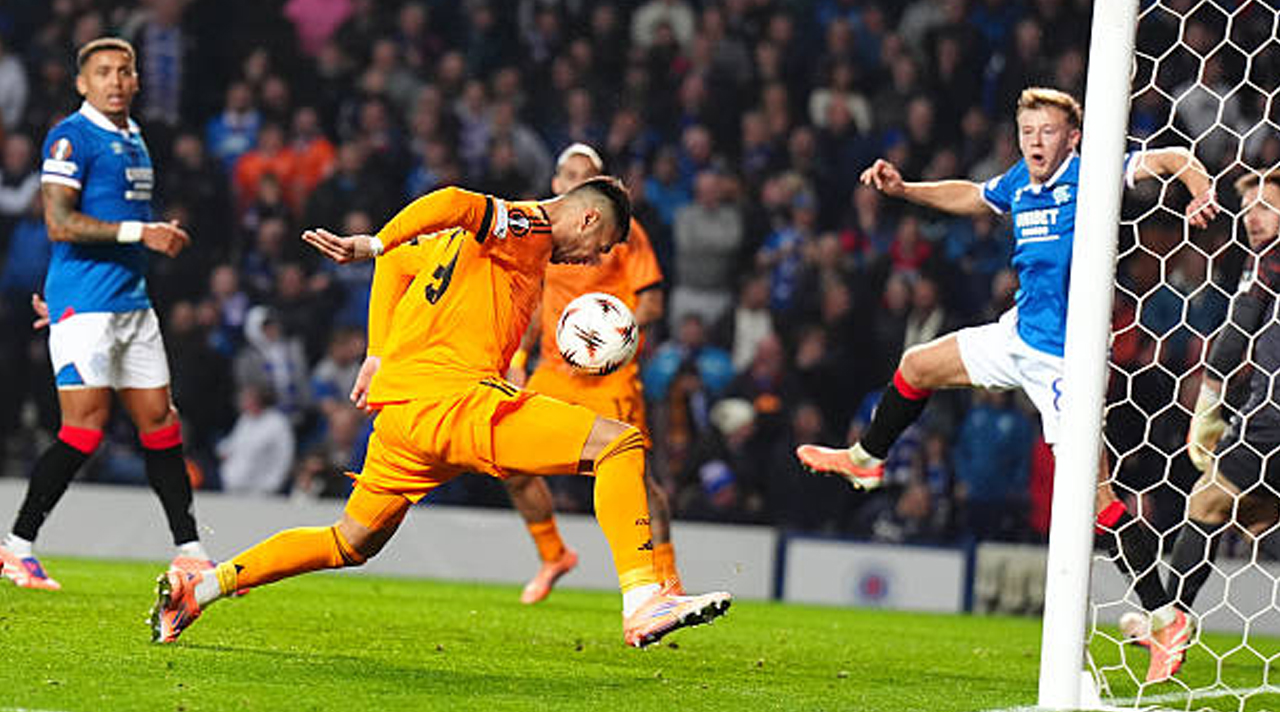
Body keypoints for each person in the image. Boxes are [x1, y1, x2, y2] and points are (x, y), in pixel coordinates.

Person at [149, 178, 731, 647]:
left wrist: (379, 351)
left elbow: (398, 265)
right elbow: (452, 201)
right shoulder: (527, 224)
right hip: (455, 402)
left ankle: (199, 590)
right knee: (620, 444)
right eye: (600, 247)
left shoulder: (472, 247)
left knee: (349, 541)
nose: (591, 261)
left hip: (404, 415)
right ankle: (644, 599)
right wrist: (373, 241)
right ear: (586, 219)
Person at [795, 87, 1218, 679]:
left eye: (1046, 131)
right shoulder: (1020, 180)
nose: (1035, 142)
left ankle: (1163, 617)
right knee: (917, 364)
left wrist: (1200, 189)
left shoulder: (1093, 172)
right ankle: (868, 458)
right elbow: (973, 195)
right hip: (1019, 336)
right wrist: (905, 189)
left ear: (1071, 136)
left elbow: (1172, 158)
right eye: (1027, 132)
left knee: (1094, 501)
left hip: (1069, 363)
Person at [0, 38, 211, 591]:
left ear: (138, 81)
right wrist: (140, 233)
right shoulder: (71, 137)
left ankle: (189, 551)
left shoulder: (134, 137)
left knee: (162, 424)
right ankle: (16, 547)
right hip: (87, 306)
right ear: (82, 83)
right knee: (84, 431)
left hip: (131, 303)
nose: (115, 81)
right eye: (102, 73)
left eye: (124, 71)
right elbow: (59, 223)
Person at [498, 143, 682, 604]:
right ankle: (553, 555)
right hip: (554, 372)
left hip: (610, 378)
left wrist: (611, 334)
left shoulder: (627, 232)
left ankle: (667, 582)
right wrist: (518, 363)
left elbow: (653, 301)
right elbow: (533, 309)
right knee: (509, 462)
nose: (577, 180)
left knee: (634, 477)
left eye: (588, 174)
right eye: (570, 174)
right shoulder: (539, 232)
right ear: (557, 184)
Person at [1137, 168, 1279, 681]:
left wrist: (1211, 399)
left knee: (1206, 503)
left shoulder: (1270, 259)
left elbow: (1238, 330)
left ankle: (1170, 620)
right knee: (1230, 508)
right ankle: (1171, 619)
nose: (1253, 218)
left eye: (1264, 206)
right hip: (1264, 412)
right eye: (1247, 210)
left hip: (1272, 420)